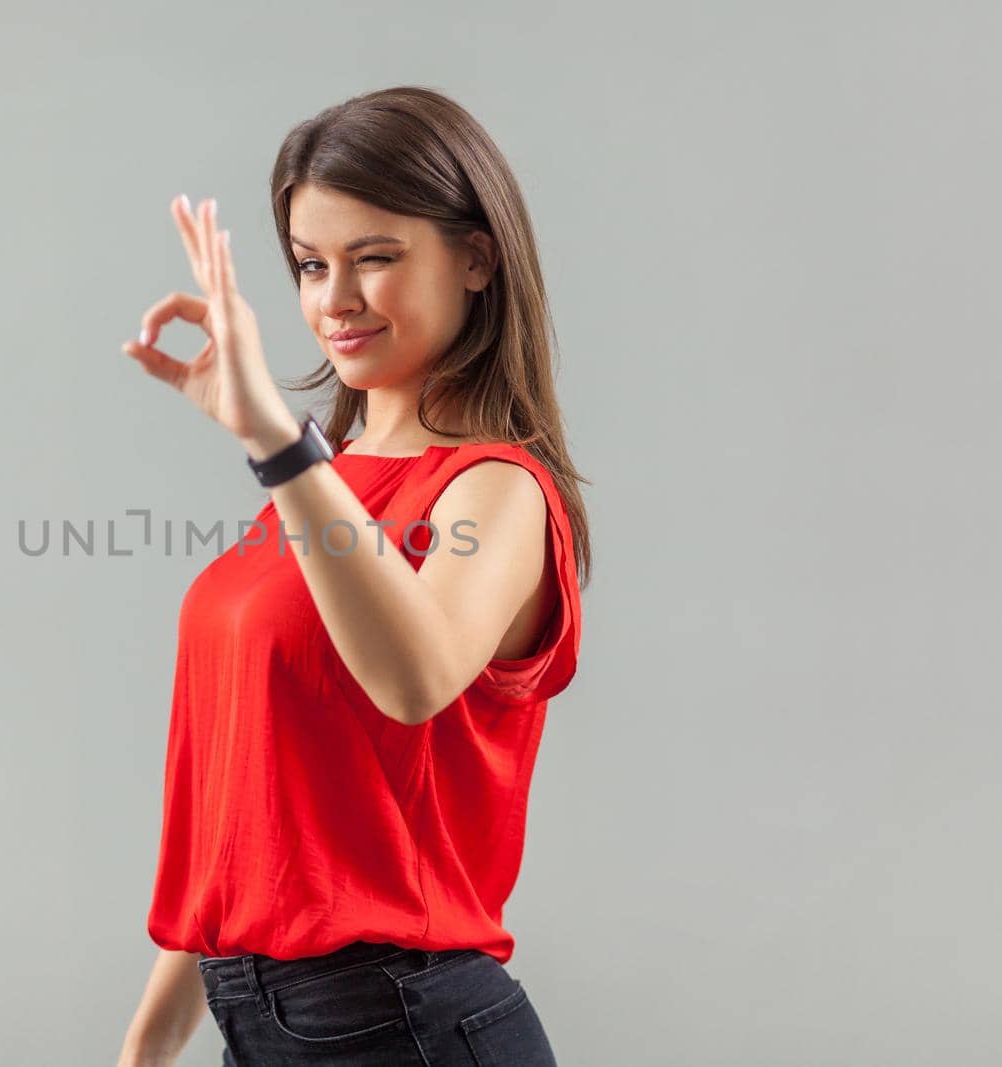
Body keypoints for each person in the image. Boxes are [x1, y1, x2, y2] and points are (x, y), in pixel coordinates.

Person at [116, 86, 591, 1067]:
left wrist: (275, 442)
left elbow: (412, 679)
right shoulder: (314, 488)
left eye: (375, 258)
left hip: (398, 1022)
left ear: (475, 255)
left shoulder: (493, 488)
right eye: (309, 264)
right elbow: (250, 809)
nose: (335, 298)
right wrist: (148, 1043)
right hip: (261, 1015)